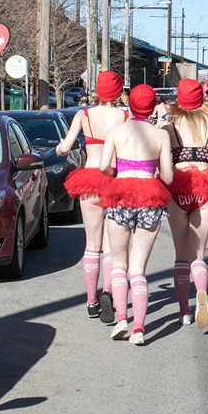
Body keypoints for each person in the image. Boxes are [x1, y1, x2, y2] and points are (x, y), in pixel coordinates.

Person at [98, 85, 174, 345]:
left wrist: (118, 175)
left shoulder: (116, 131)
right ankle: (139, 329)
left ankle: (121, 320)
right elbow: (168, 177)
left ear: (129, 105)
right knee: (138, 269)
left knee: (119, 263)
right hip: (150, 196)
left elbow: (103, 167)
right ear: (153, 108)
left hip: (120, 193)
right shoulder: (161, 134)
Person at [164, 79, 208, 328]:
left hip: (177, 187)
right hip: (205, 187)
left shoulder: (169, 126)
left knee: (180, 256)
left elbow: (160, 160)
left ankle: (184, 311)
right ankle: (201, 292)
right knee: (198, 254)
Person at [56, 70, 128, 322]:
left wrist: (58, 148)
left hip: (88, 179)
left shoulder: (83, 114)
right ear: (118, 92)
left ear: (98, 90)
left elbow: (65, 147)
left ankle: (91, 300)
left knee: (91, 244)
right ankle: (109, 290)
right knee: (111, 245)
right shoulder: (125, 116)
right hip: (115, 180)